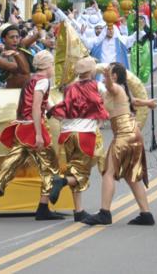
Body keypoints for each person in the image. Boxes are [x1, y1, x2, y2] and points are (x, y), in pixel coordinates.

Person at [0, 51, 63, 222]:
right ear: (47, 66)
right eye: (52, 64)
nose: (53, 68)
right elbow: (36, 108)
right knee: (50, 167)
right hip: (32, 129)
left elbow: (44, 104)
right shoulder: (43, 81)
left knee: (9, 166)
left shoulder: (32, 79)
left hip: (21, 127)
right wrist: (38, 133)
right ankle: (43, 208)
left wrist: (57, 112)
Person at [83, 63, 157, 226]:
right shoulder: (121, 90)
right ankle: (146, 214)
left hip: (124, 134)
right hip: (132, 133)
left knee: (108, 172)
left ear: (114, 76)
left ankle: (104, 213)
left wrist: (108, 76)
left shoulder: (115, 87)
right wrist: (148, 103)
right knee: (131, 175)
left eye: (109, 74)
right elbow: (134, 101)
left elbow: (109, 86)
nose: (104, 77)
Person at [48, 56, 109, 222]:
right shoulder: (98, 86)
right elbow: (109, 100)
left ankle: (78, 211)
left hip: (67, 134)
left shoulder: (70, 88)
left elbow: (63, 108)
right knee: (81, 173)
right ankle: (61, 182)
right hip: (85, 133)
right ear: (91, 71)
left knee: (73, 169)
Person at [0, 25, 38, 89]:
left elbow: (37, 36)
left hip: (28, 91)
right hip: (13, 94)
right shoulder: (0, 59)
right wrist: (16, 54)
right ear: (4, 40)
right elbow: (24, 70)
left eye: (17, 37)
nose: (15, 40)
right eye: (12, 37)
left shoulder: (21, 47)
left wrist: (41, 28)